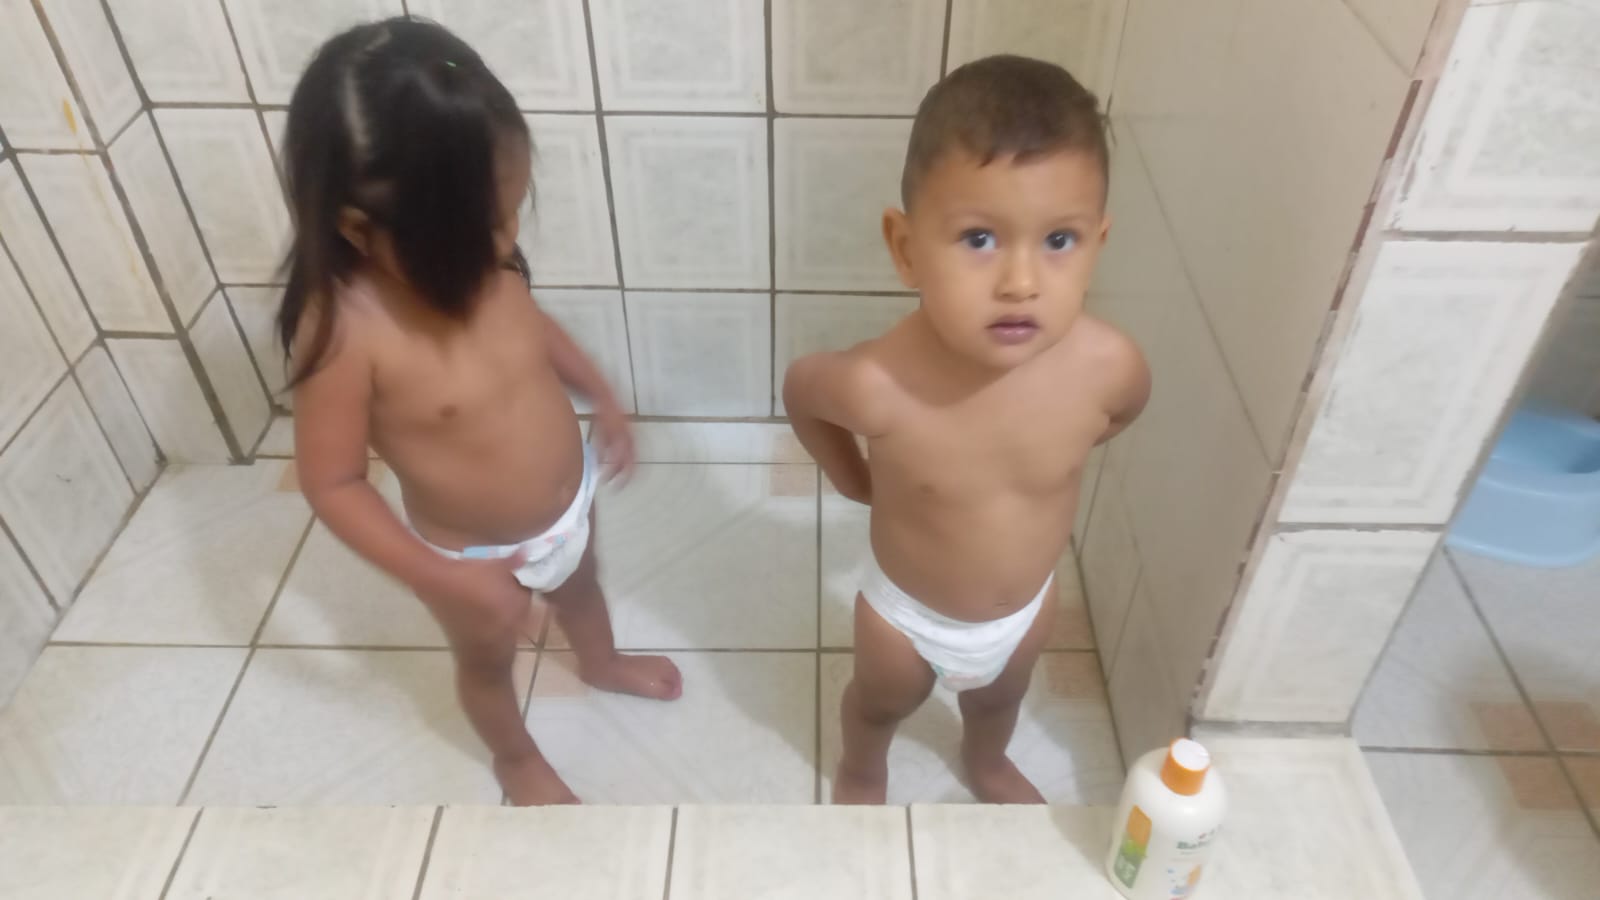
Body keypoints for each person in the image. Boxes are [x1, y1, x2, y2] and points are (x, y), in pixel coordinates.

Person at [278, 17, 681, 806]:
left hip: (568, 506)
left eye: (510, 215)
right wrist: (437, 575)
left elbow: (533, 329)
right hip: (468, 559)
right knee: (486, 662)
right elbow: (332, 483)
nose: (502, 244)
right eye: (476, 230)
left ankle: (600, 661)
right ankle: (515, 759)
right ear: (358, 228)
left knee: (583, 588)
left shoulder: (489, 268)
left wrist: (599, 392)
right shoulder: (347, 334)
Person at [784, 55, 1150, 804]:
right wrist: (853, 480)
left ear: (1099, 243)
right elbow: (800, 392)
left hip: (1023, 610)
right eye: (979, 239)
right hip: (905, 617)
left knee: (997, 702)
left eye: (1059, 241)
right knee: (878, 703)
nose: (1021, 283)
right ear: (906, 248)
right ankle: (862, 768)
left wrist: (1053, 453)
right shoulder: (877, 384)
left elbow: (1120, 414)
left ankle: (986, 762)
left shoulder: (1108, 368)